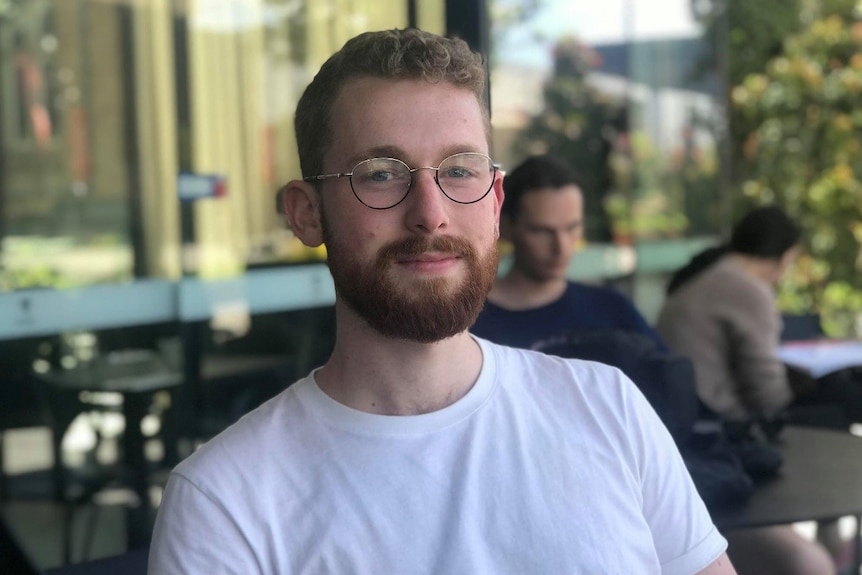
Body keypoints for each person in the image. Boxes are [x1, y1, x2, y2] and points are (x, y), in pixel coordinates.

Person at [149, 28, 734, 574]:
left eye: (459, 170)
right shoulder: (224, 503)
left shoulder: (608, 409)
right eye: (380, 173)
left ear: (496, 199)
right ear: (307, 213)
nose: (431, 213)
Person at [657, 206, 838, 575]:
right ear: (785, 257)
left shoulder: (704, 275)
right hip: (717, 450)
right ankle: (836, 545)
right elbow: (768, 394)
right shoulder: (746, 288)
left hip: (686, 443)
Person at [470, 154, 665, 351]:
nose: (561, 247)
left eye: (572, 228)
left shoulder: (613, 310)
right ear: (505, 227)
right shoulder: (468, 323)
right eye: (542, 231)